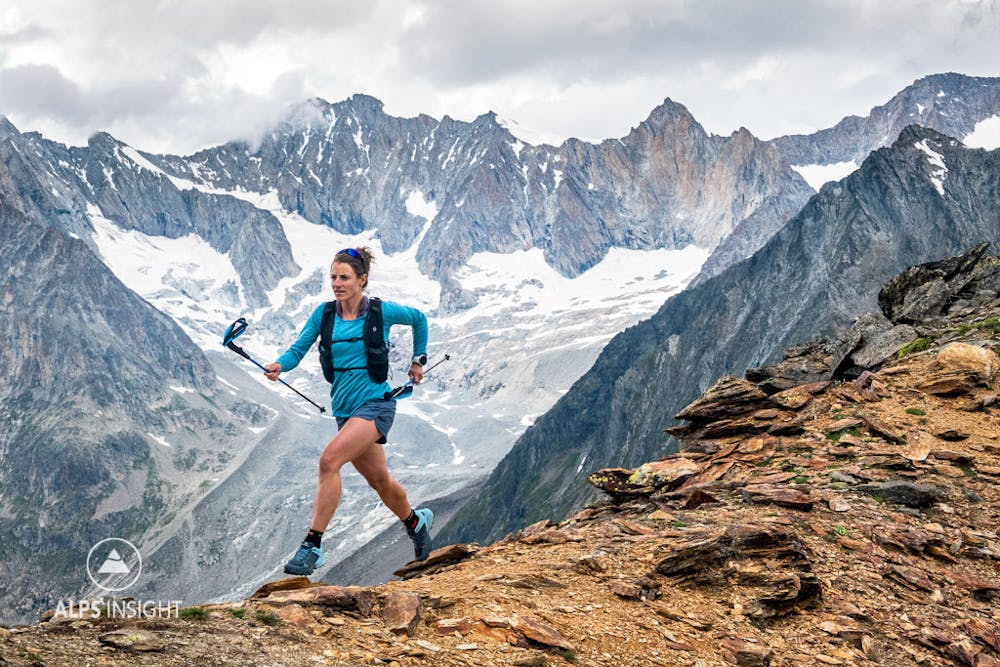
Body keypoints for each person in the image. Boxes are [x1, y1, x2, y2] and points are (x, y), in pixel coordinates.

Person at [263, 246, 434, 576]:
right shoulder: (324, 315)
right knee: (380, 482)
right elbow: (299, 349)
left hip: (376, 404)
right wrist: (279, 366)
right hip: (345, 411)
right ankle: (416, 522)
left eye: (344, 277)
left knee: (329, 461)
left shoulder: (380, 312)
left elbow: (419, 320)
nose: (337, 283)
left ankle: (312, 545)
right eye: (333, 277)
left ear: (362, 280)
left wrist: (418, 359)